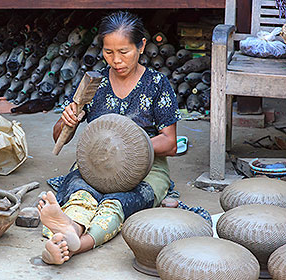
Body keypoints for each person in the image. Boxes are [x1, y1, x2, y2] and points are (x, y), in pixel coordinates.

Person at [38, 11, 181, 265]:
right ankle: (68, 227)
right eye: (108, 52)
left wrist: (129, 152)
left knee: (117, 203)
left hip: (146, 169)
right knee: (81, 194)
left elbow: (169, 143)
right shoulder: (95, 83)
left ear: (141, 46)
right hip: (97, 162)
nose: (116, 60)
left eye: (124, 52)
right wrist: (67, 120)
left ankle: (75, 244)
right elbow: (59, 137)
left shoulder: (157, 83)